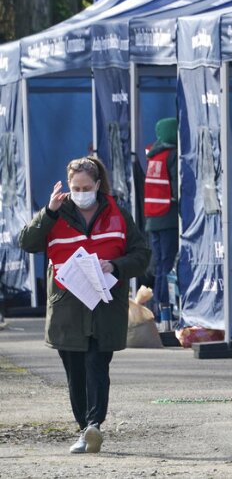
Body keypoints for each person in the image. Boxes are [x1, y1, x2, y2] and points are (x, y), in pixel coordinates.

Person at [18, 156, 150, 454]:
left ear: (98, 185)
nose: (80, 192)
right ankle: (83, 428)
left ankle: (94, 426)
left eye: (86, 187)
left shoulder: (118, 214)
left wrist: (114, 266)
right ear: (67, 186)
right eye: (75, 187)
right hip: (67, 306)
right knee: (75, 371)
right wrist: (48, 212)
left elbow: (142, 254)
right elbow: (27, 243)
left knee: (97, 365)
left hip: (104, 304)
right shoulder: (56, 213)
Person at [143, 117, 178, 318]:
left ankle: (157, 309)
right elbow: (177, 188)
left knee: (159, 265)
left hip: (153, 219)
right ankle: (165, 310)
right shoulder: (172, 155)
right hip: (169, 218)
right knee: (167, 264)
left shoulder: (154, 156)